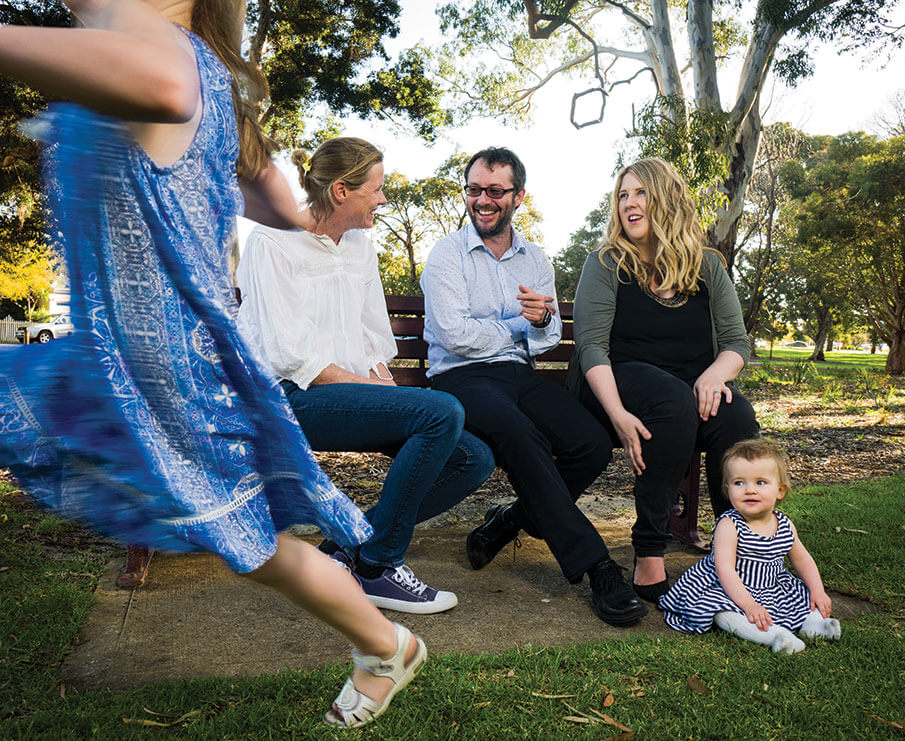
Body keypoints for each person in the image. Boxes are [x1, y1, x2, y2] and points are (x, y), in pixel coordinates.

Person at [0, 1, 423, 727]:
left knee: (249, 539)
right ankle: (385, 643)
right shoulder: (205, 73)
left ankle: (385, 641)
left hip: (162, 364)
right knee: (249, 539)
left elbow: (165, 89)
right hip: (133, 356)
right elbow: (280, 205)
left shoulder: (165, 53)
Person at [236, 136, 494, 615]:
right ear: (340, 192)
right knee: (443, 412)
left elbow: (374, 336)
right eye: (375, 189)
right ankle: (378, 565)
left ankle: (343, 552)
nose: (382, 198)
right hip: (288, 398)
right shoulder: (271, 241)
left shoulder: (359, 246)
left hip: (344, 395)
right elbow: (288, 353)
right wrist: (374, 393)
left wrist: (387, 391)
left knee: (473, 458)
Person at [420, 147, 647, 627]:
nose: (482, 200)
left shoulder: (535, 258)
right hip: (460, 377)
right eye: (474, 189)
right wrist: (514, 326)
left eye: (495, 191)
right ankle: (597, 566)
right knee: (523, 437)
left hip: (520, 374)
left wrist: (541, 318)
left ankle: (507, 523)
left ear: (518, 197)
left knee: (588, 444)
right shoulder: (446, 255)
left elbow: (547, 337)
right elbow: (455, 336)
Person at [569, 157, 759, 604]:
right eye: (622, 195)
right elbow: (592, 347)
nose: (629, 205)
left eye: (641, 194)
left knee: (736, 416)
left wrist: (715, 375)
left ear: (667, 200)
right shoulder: (606, 263)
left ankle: (740, 551)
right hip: (612, 384)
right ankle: (649, 548)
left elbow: (736, 343)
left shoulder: (707, 267)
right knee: (674, 404)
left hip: (685, 387)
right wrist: (616, 414)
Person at [660, 439, 842, 653]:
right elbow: (725, 569)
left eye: (760, 482)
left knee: (803, 597)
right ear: (728, 490)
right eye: (739, 483)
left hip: (771, 587)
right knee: (722, 613)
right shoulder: (729, 525)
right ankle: (776, 636)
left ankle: (813, 626)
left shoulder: (784, 524)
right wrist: (748, 605)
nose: (749, 490)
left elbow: (802, 559)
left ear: (780, 490)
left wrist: (817, 591)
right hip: (728, 588)